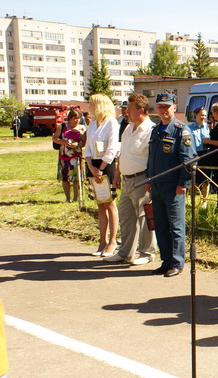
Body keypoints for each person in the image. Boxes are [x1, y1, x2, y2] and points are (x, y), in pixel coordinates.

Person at [145, 93, 196, 277]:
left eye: (167, 106)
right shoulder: (156, 130)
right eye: (160, 106)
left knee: (175, 226)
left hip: (173, 186)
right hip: (157, 185)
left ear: (174, 107)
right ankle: (165, 261)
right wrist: (149, 179)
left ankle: (177, 262)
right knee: (160, 225)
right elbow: (151, 157)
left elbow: (188, 162)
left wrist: (183, 184)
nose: (163, 110)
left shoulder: (181, 130)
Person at [104, 94, 156, 266]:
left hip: (142, 179)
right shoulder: (128, 127)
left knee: (144, 217)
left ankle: (147, 252)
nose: (126, 111)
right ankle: (125, 252)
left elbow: (152, 159)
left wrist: (150, 180)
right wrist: (117, 174)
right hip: (126, 179)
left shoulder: (151, 129)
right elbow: (123, 153)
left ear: (141, 110)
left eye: (130, 108)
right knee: (126, 217)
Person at [84, 93, 121, 257]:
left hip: (106, 165)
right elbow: (88, 148)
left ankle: (113, 241)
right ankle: (102, 241)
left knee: (110, 203)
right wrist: (91, 166)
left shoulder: (111, 122)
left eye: (91, 104)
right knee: (100, 204)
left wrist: (102, 167)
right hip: (93, 165)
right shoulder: (92, 124)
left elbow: (112, 148)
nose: (89, 108)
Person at [52, 109, 86, 203]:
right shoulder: (62, 126)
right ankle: (68, 198)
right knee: (65, 178)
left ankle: (76, 198)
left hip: (76, 157)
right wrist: (64, 142)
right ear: (70, 118)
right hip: (64, 156)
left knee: (76, 178)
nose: (76, 120)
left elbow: (84, 142)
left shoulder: (82, 128)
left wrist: (77, 144)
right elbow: (55, 138)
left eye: (78, 118)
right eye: (75, 118)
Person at [187, 107, 211, 205]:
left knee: (206, 179)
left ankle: (204, 201)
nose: (203, 117)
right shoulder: (189, 128)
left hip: (205, 154)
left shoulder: (207, 127)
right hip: (194, 154)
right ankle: (192, 202)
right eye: (201, 115)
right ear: (195, 115)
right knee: (194, 180)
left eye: (205, 115)